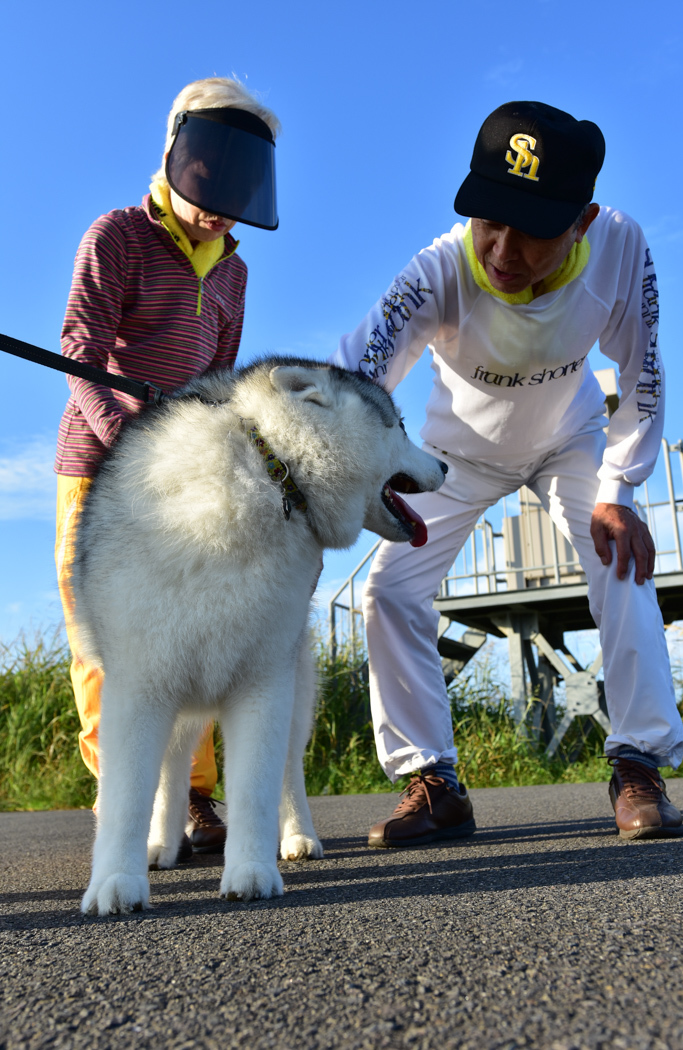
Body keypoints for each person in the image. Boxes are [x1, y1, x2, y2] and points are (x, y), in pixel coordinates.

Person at [332, 100, 683, 846]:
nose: (502, 248)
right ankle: (434, 781)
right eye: (490, 218)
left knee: (621, 560)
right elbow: (354, 378)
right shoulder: (439, 269)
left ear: (582, 221)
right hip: (455, 454)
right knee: (388, 590)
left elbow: (644, 372)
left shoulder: (621, 247)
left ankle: (639, 762)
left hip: (570, 438)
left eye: (531, 228)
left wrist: (620, 489)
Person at [55, 75, 280, 856]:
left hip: (183, 485)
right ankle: (121, 790)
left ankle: (190, 796)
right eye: (213, 176)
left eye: (243, 184)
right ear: (178, 154)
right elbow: (80, 347)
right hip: (97, 463)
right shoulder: (116, 235)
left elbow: (219, 380)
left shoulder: (235, 273)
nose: (222, 202)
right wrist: (128, 438)